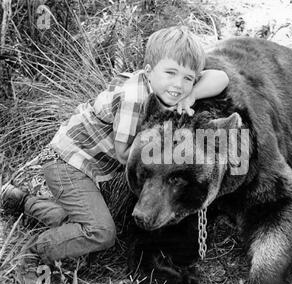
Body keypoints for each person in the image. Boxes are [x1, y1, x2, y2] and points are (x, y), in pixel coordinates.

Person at [0, 25, 229, 265]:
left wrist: (190, 95)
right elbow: (124, 155)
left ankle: (21, 201)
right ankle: (32, 255)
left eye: (188, 78)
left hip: (87, 166)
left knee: (73, 219)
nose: (178, 84)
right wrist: (164, 146)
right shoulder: (134, 98)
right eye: (170, 73)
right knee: (101, 232)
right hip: (69, 163)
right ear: (149, 71)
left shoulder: (169, 88)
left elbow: (221, 78)